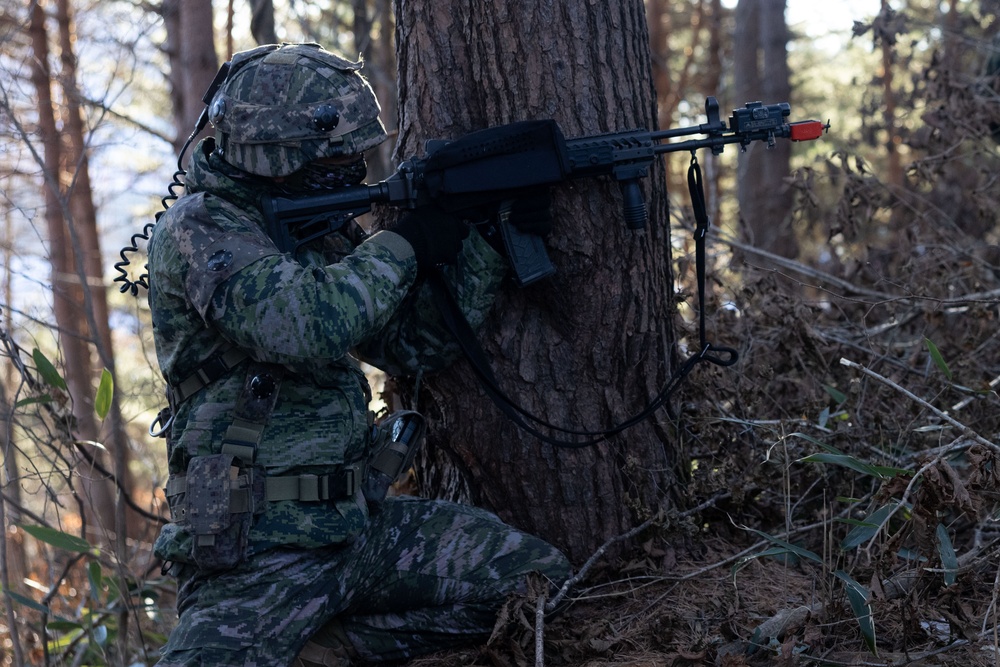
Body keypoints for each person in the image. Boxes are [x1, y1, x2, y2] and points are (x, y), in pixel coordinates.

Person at [147, 42, 571, 666]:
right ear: (276, 154)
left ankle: (326, 649)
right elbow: (306, 325)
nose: (352, 169)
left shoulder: (318, 227)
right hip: (259, 550)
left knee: (535, 581)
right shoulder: (201, 228)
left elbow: (409, 346)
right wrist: (401, 245)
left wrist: (484, 242)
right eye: (335, 156)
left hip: (355, 529)